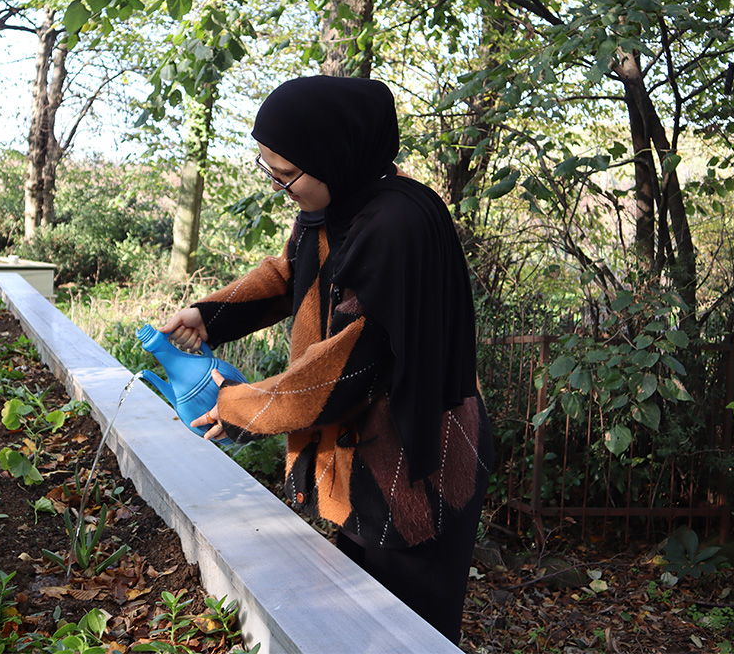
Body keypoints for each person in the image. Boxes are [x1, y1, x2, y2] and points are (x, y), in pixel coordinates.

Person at [158, 75, 494, 643]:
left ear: (332, 155)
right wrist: (208, 314)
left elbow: (344, 369)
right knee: (357, 612)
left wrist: (237, 406)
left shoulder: (396, 226)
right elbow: (290, 272)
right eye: (270, 171)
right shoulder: (332, 205)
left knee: (408, 626)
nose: (278, 186)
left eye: (287, 175)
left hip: (416, 454)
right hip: (364, 452)